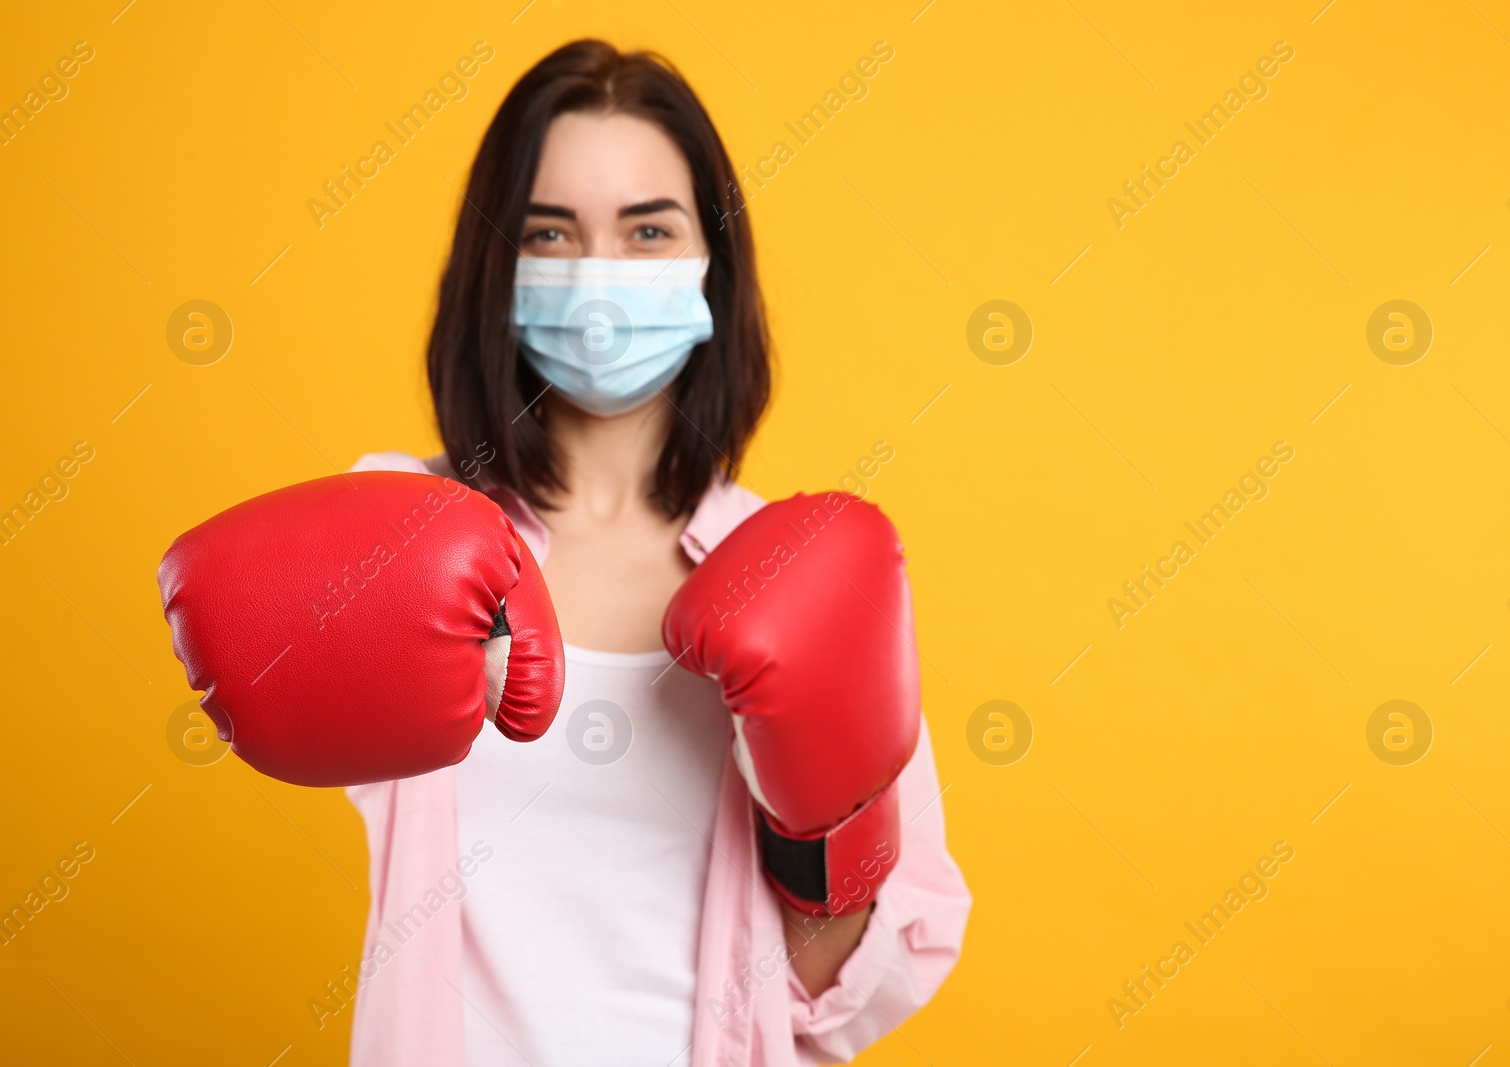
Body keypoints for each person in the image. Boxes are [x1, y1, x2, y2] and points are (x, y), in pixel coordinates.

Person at [161, 38, 969, 1067]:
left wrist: (822, 826)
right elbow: (240, 635)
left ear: (712, 261)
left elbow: (843, 989)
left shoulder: (796, 569)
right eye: (551, 232)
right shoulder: (403, 524)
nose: (598, 275)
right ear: (497, 266)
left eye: (647, 230)